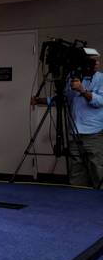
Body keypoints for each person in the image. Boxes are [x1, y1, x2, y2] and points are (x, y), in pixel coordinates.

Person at [32, 49, 103, 189]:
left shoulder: (101, 79)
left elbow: (99, 101)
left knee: (97, 168)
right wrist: (40, 100)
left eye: (98, 60)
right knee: (76, 169)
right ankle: (76, 198)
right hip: (74, 132)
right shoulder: (72, 77)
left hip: (94, 133)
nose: (97, 63)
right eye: (94, 60)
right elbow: (64, 98)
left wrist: (82, 90)